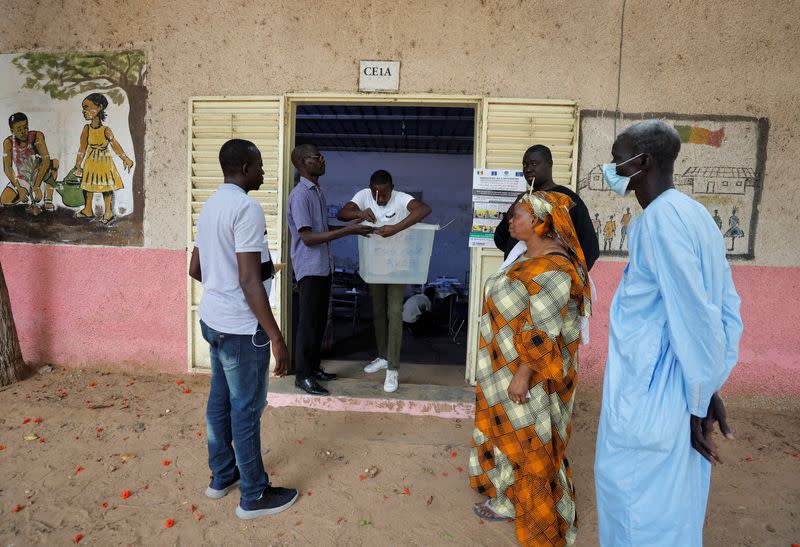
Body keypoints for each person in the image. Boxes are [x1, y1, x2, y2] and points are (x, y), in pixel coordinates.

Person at [594, 120, 742, 546]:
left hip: (653, 397)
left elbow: (694, 315)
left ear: (643, 163)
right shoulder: (695, 215)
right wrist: (710, 386)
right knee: (672, 511)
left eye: (617, 157)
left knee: (639, 510)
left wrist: (700, 399)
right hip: (678, 388)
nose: (611, 167)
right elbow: (726, 312)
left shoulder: (662, 221)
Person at [469, 190, 591, 546]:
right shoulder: (524, 257)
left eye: (517, 216)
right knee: (512, 437)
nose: (511, 221)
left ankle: (544, 516)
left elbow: (543, 332)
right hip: (503, 369)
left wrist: (522, 375)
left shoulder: (554, 269)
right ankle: (509, 498)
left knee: (534, 441)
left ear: (540, 223)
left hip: (530, 376)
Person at [188, 139, 297, 520]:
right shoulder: (246, 208)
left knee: (220, 402)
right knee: (246, 410)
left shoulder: (211, 206)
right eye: (261, 166)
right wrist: (277, 338)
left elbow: (196, 269)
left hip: (213, 321)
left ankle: (222, 476)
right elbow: (251, 283)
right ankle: (254, 495)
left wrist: (223, 286)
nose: (264, 172)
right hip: (240, 329)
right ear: (247, 168)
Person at [287, 144, 373, 396]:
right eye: (317, 157)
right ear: (303, 162)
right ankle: (303, 376)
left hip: (322, 267)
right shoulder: (301, 195)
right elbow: (309, 238)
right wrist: (348, 230)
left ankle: (313, 368)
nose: (323, 161)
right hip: (309, 268)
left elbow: (322, 228)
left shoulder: (317, 192)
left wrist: (354, 223)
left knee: (319, 322)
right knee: (308, 324)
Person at [337, 169, 432, 392]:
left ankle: (393, 369)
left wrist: (395, 228)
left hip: (398, 265)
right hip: (374, 265)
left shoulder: (401, 198)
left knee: (395, 312)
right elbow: (343, 214)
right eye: (376, 193)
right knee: (378, 311)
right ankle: (382, 356)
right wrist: (359, 213)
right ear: (370, 188)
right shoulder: (363, 195)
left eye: (384, 194)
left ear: (392, 188)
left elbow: (424, 209)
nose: (380, 199)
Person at [493, 144, 599, 270]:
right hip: (518, 279)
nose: (528, 169)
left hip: (551, 280)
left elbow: (590, 247)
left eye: (533, 164)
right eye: (525, 165)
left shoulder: (567, 200)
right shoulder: (523, 202)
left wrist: (571, 277)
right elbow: (501, 240)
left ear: (549, 164)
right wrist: (512, 211)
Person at [73, 93, 134, 225]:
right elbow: (82, 148)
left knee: (106, 187)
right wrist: (78, 165)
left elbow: (115, 145)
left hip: (104, 162)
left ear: (99, 107)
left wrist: (126, 158)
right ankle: (88, 209)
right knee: (87, 187)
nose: (84, 111)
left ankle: (108, 212)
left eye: (87, 107)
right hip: (90, 162)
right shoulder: (86, 129)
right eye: (83, 108)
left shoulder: (106, 130)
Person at [1, 112, 55, 215]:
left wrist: (37, 185)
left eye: (25, 128)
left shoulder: (37, 135)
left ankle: (48, 198)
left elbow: (46, 160)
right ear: (12, 131)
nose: (23, 132)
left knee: (54, 163)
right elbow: (7, 168)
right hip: (22, 178)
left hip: (39, 174)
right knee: (5, 201)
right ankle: (27, 199)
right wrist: (18, 188)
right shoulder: (8, 142)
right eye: (19, 129)